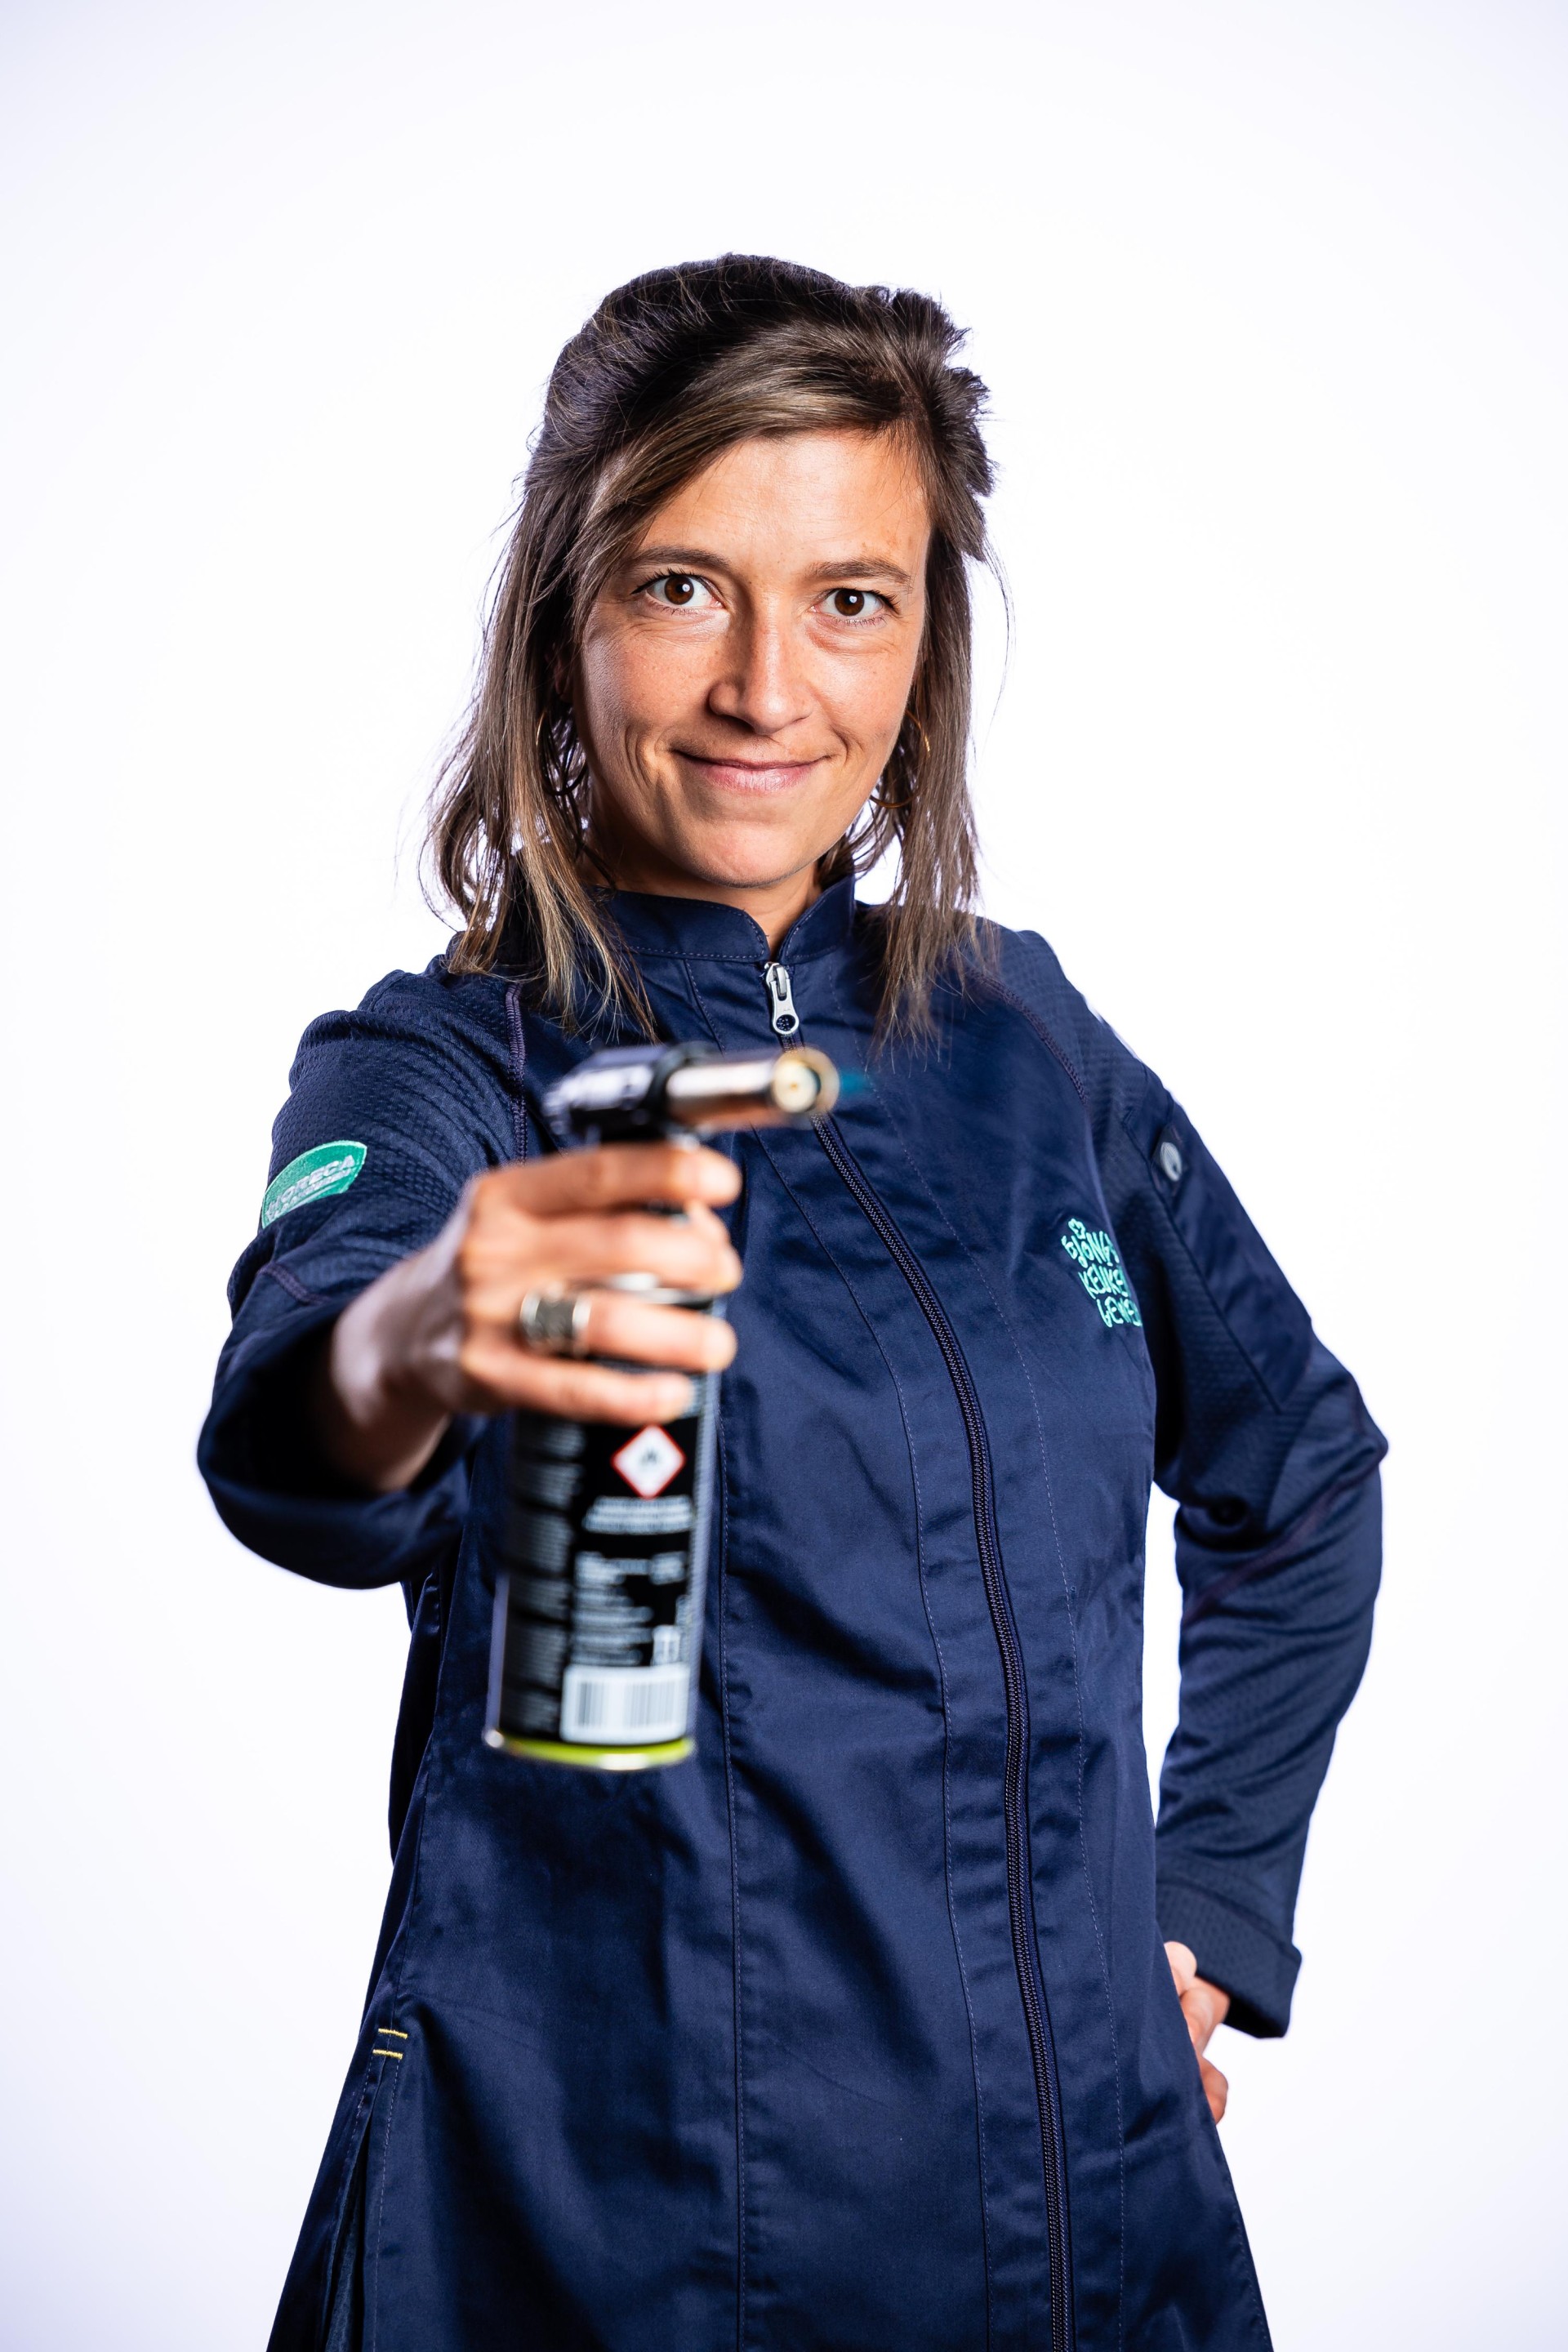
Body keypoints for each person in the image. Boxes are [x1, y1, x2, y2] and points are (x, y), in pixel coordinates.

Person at [200, 255, 1385, 2352]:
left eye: (851, 599)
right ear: (564, 617)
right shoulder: (446, 1071)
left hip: (1101, 2232)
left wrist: (1205, 1910)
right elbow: (304, 1420)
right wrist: (432, 1327)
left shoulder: (1031, 1042)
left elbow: (1300, 1472)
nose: (768, 688)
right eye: (683, 588)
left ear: (924, 647)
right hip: (609, 2240)